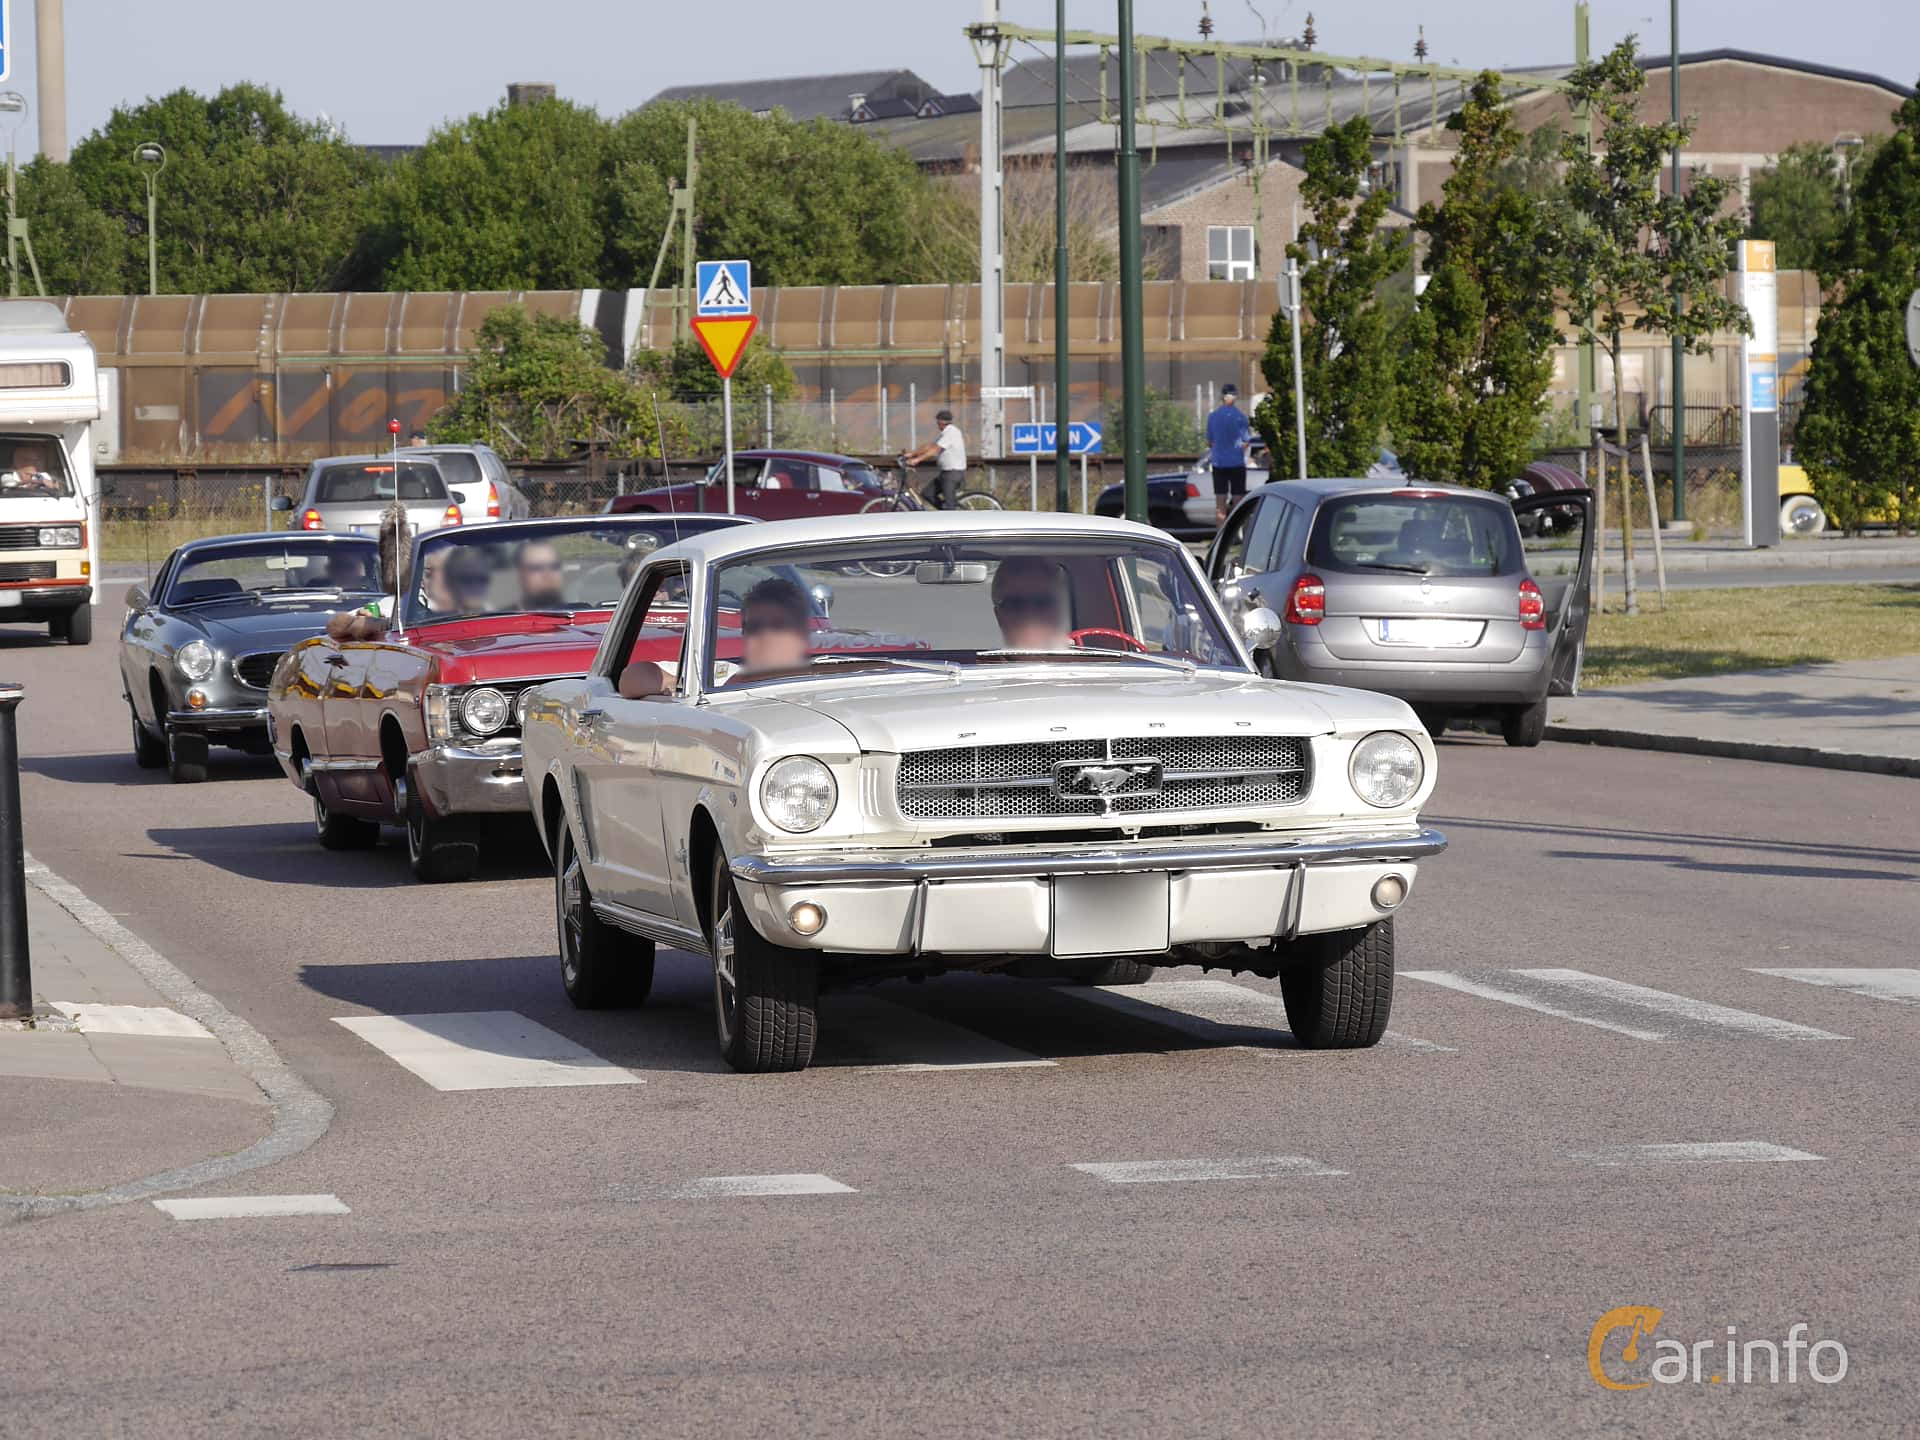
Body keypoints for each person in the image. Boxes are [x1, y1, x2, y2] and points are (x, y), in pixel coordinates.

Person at [619, 575, 812, 698]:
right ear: (744, 632)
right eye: (754, 627)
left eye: (778, 626)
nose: (765, 635)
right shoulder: (718, 675)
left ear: (800, 631)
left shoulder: (823, 676)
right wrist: (680, 686)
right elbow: (632, 678)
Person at [326, 503, 409, 640]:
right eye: (336, 565)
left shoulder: (387, 596)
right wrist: (357, 621)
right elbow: (333, 626)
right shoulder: (321, 590)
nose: (341, 571)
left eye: (347, 566)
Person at [990, 556, 1073, 651]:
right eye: (1015, 604)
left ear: (1058, 611)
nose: (1029, 614)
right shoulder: (985, 661)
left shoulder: (1080, 658)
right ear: (999, 617)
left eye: (1041, 602)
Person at [899, 408, 967, 509]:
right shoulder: (945, 433)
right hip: (946, 473)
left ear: (941, 422)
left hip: (953, 474)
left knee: (950, 505)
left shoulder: (951, 432)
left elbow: (935, 450)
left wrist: (917, 460)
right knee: (928, 494)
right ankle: (944, 513)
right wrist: (911, 454)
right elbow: (930, 446)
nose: (937, 425)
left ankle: (952, 516)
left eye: (937, 422)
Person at [1206, 383, 1253, 524]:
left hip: (1219, 463)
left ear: (1222, 396)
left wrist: (1220, 448)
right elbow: (1246, 441)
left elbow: (1210, 442)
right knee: (1238, 502)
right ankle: (1237, 532)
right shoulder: (1241, 417)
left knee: (1220, 505)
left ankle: (1220, 534)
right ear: (1235, 396)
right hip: (1236, 463)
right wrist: (1237, 450)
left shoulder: (1213, 417)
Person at [514, 540, 567, 609]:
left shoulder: (577, 609)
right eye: (536, 568)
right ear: (520, 575)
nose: (548, 574)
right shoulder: (505, 614)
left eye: (554, 566)